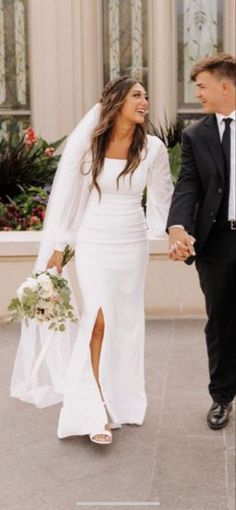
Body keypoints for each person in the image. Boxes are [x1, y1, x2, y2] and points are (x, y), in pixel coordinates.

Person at [11, 76, 173, 444]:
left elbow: (163, 197)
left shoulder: (154, 148)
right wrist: (59, 248)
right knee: (97, 319)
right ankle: (92, 408)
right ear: (116, 102)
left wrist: (167, 234)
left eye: (146, 96)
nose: (144, 101)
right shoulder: (89, 146)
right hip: (93, 241)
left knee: (126, 322)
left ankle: (120, 399)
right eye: (136, 95)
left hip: (132, 244)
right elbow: (71, 200)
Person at [167, 54, 236, 430]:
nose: (198, 94)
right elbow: (188, 185)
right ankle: (222, 397)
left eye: (203, 86)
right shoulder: (196, 135)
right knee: (220, 321)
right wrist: (177, 227)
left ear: (225, 87)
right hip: (218, 242)